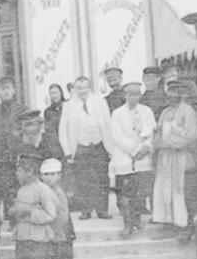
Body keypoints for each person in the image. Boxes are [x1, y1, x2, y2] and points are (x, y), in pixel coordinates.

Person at [59, 76, 114, 220]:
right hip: (80, 148)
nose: (82, 91)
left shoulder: (100, 102)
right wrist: (68, 152)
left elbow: (108, 125)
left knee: (102, 178)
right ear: (75, 89)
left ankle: (102, 209)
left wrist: (110, 148)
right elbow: (63, 131)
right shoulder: (69, 105)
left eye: (85, 88)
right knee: (82, 180)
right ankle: (86, 210)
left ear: (89, 88)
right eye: (79, 88)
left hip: (98, 145)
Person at [152, 79, 197, 235]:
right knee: (164, 189)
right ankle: (167, 221)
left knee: (180, 190)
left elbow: (191, 136)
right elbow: (157, 131)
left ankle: (183, 225)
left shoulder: (187, 111)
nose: (172, 95)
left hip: (181, 157)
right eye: (170, 91)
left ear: (182, 94)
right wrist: (157, 143)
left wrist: (170, 144)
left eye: (176, 92)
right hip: (165, 159)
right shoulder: (165, 112)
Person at [110, 82, 157, 239]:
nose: (133, 97)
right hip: (125, 156)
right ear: (125, 95)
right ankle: (127, 224)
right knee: (126, 193)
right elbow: (117, 136)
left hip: (143, 157)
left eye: (136, 94)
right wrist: (134, 150)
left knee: (140, 192)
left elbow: (150, 131)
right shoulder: (117, 113)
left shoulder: (146, 111)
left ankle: (137, 219)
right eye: (130, 94)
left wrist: (144, 148)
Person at [0, 78, 28, 213]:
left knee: (14, 187)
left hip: (15, 155)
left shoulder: (22, 110)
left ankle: (13, 218)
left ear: (14, 90)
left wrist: (23, 154)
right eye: (2, 89)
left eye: (8, 88)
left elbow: (26, 134)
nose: (6, 92)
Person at [39, 158, 74, 259]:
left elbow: (62, 216)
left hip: (57, 234)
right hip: (42, 234)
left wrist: (51, 231)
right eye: (46, 174)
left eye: (53, 174)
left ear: (59, 176)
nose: (49, 177)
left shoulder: (59, 193)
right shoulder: (40, 190)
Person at [43, 83, 66, 161]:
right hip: (57, 146)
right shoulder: (48, 112)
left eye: (55, 92)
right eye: (51, 93)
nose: (54, 95)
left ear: (60, 93)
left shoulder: (68, 107)